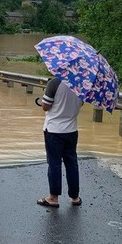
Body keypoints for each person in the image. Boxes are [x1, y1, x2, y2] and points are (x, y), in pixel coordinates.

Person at [37, 77, 84, 208]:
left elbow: (46, 107)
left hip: (54, 130)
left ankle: (53, 197)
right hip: (72, 130)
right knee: (71, 162)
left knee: (54, 163)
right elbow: (81, 104)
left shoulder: (54, 83)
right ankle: (75, 197)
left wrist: (43, 100)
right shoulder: (82, 84)